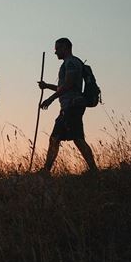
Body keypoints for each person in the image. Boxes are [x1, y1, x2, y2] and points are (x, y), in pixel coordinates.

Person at [39, 38, 97, 173]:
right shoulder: (70, 63)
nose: (55, 52)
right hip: (70, 106)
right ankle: (46, 170)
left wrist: (50, 99)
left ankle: (46, 171)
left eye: (57, 49)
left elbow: (68, 85)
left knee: (69, 138)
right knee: (64, 138)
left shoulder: (71, 63)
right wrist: (47, 86)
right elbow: (65, 87)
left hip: (72, 106)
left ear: (65, 47)